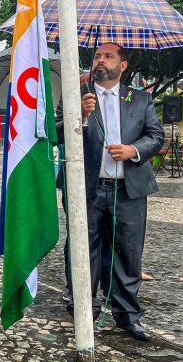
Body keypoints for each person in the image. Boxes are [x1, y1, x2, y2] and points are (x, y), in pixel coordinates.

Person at [57, 42, 164, 341]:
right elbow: (53, 131)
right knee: (81, 249)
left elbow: (155, 136)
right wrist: (78, 114)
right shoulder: (76, 94)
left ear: (123, 65)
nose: (100, 61)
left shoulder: (140, 99)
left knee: (128, 252)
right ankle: (82, 307)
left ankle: (128, 316)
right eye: (97, 56)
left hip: (128, 190)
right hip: (86, 189)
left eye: (108, 56)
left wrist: (132, 149)